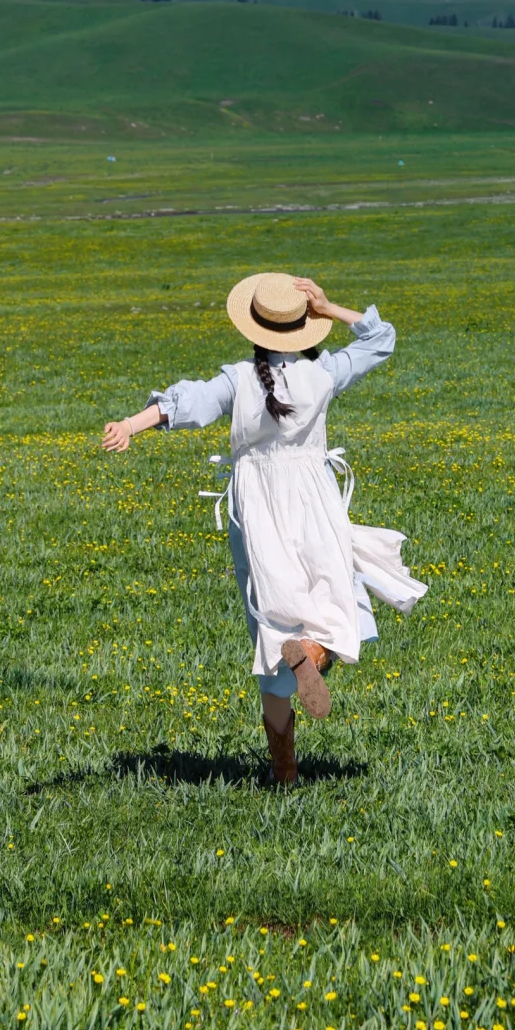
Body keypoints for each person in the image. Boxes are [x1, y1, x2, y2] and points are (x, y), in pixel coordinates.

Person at [101, 271, 426, 786]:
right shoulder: (324, 373)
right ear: (303, 326)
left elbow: (186, 404)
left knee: (274, 628)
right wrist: (330, 307)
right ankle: (313, 655)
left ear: (253, 328)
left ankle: (284, 771)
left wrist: (129, 426)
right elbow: (380, 340)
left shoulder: (238, 379)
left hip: (255, 511)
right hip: (315, 501)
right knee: (341, 603)